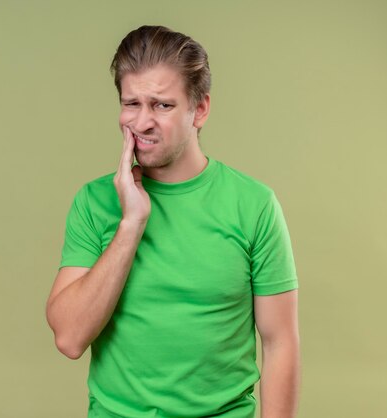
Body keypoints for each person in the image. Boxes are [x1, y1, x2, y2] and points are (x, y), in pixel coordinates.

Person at [46, 25, 300, 418]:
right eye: (132, 103)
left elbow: (279, 341)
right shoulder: (95, 202)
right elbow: (69, 337)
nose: (142, 122)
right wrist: (130, 223)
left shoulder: (254, 205)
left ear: (199, 110)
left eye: (161, 105)